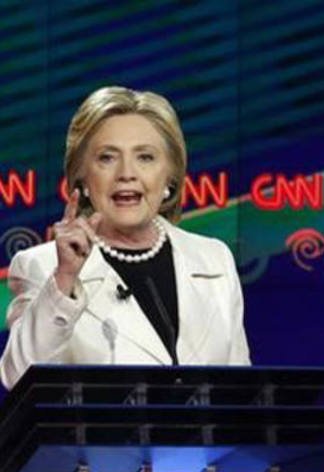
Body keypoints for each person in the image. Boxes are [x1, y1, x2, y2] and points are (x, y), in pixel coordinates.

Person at [0, 86, 250, 390]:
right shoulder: (41, 266)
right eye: (107, 158)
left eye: (145, 157)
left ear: (170, 177)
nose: (126, 173)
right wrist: (65, 279)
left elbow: (241, 389)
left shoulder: (214, 259)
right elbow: (18, 378)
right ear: (83, 180)